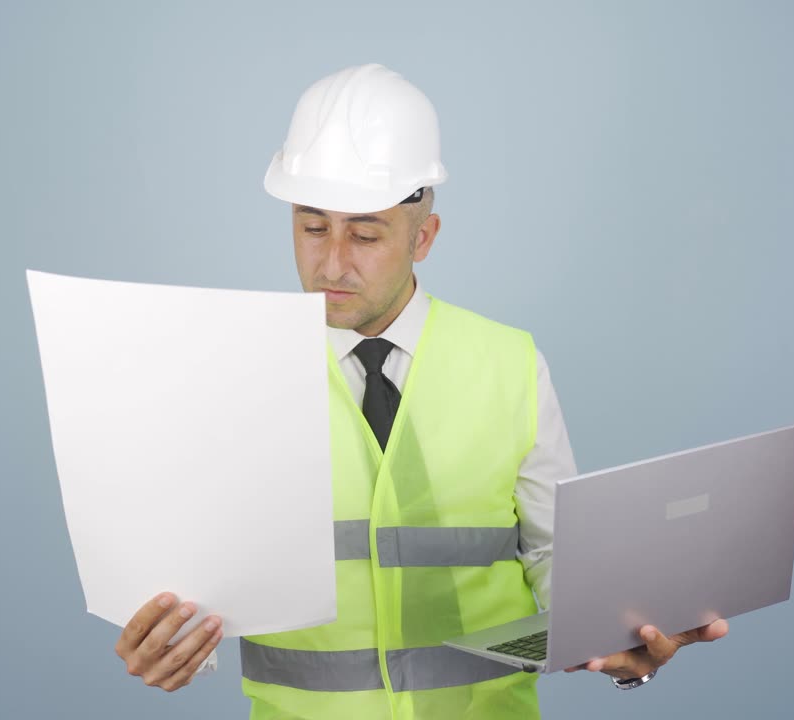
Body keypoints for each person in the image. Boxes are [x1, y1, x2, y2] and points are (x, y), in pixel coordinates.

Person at [112, 63, 728, 718]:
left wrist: (624, 649)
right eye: (312, 226)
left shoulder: (509, 364)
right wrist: (175, 649)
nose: (331, 263)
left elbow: (561, 564)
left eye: (366, 234)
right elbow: (201, 586)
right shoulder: (234, 376)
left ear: (423, 237)